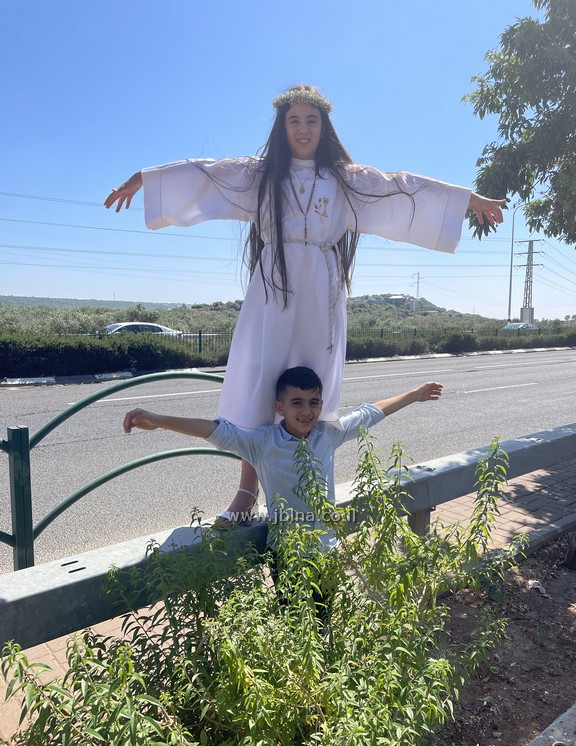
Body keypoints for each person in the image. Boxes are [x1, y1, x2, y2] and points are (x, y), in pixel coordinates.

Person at [106, 83, 504, 523]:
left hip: (321, 296)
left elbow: (401, 187)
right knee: (262, 385)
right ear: (282, 126)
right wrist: (145, 178)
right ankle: (246, 490)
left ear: (323, 126)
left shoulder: (347, 180)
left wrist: (467, 200)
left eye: (311, 120)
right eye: (294, 120)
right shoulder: (259, 176)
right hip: (272, 292)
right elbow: (205, 173)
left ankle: (310, 487)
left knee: (310, 392)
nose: (302, 128)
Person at [122, 366, 443, 544]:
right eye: (296, 403)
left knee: (322, 626)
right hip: (286, 553)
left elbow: (369, 412)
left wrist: (414, 395)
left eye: (313, 403)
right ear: (280, 407)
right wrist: (159, 420)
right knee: (293, 630)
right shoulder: (262, 443)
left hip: (327, 548)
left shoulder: (328, 434)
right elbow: (214, 430)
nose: (306, 411)